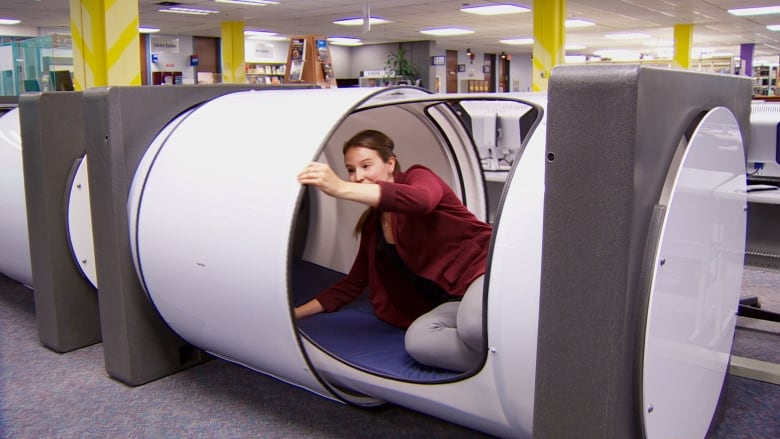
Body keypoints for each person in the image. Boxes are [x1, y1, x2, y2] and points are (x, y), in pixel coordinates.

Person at [295, 129, 492, 372]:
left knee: (473, 328)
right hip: (453, 300)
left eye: (366, 166)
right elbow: (353, 283)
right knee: (419, 342)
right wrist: (294, 313)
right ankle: (500, 365)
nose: (357, 177)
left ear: (390, 164)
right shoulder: (373, 225)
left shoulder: (418, 177)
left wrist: (339, 188)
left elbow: (422, 201)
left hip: (484, 271)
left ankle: (508, 358)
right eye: (351, 170)